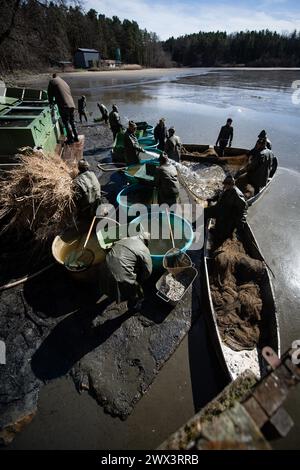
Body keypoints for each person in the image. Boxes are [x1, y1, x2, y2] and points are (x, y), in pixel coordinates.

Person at [104, 232, 152, 313]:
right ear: (146, 242)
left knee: (111, 283)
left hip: (105, 266)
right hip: (120, 274)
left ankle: (112, 296)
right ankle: (137, 302)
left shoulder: (125, 239)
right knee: (134, 287)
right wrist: (141, 279)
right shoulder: (144, 249)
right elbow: (148, 271)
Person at [205, 174, 248, 246]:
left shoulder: (237, 194)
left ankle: (217, 239)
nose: (224, 186)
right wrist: (212, 199)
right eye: (224, 184)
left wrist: (240, 224)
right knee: (205, 212)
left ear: (231, 185)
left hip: (228, 215)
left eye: (226, 184)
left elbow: (244, 207)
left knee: (222, 231)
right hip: (220, 209)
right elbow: (219, 196)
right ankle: (213, 231)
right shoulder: (226, 189)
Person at [47, 73, 78, 144]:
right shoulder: (64, 82)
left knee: (66, 122)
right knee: (72, 122)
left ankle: (70, 139)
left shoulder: (52, 81)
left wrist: (51, 102)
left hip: (64, 106)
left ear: (53, 76)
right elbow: (64, 94)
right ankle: (76, 137)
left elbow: (50, 94)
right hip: (72, 104)